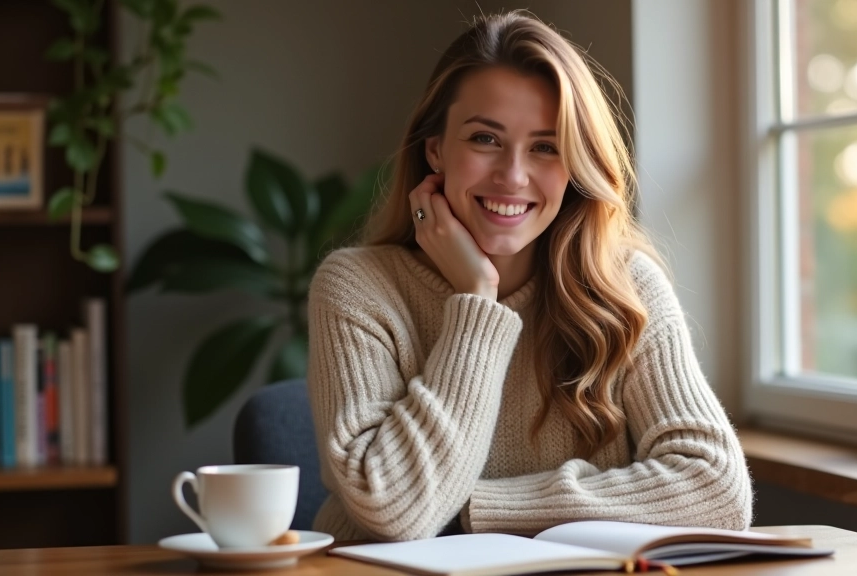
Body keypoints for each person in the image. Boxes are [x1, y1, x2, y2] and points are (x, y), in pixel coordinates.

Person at [306, 10, 752, 542]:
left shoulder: (624, 286)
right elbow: (393, 509)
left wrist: (475, 508)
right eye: (485, 140)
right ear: (435, 151)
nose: (512, 176)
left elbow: (717, 490)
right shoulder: (358, 287)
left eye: (546, 147)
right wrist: (478, 301)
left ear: (575, 165)